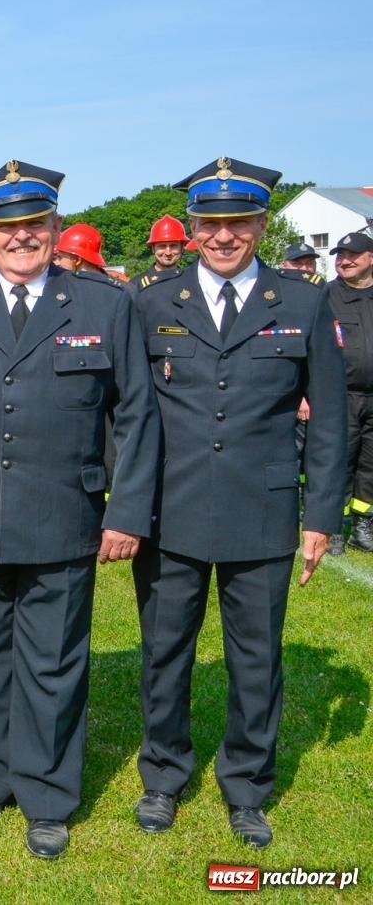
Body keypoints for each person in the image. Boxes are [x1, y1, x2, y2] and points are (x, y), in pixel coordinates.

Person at [0, 160, 159, 860]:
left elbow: (136, 413)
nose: (21, 239)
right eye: (6, 229)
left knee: (52, 663)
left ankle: (46, 795)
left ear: (54, 229)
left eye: (34, 226)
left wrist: (127, 510)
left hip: (63, 515)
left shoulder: (102, 305)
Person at [133, 157, 346, 850]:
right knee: (166, 652)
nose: (224, 236)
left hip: (262, 512)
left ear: (261, 225)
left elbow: (333, 422)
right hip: (172, 511)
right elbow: (128, 415)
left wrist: (320, 519)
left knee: (256, 659)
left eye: (239, 224)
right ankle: (163, 775)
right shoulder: (154, 303)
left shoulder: (306, 302)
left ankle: (248, 786)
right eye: (210, 224)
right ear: (192, 229)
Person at [329, 231, 373, 553]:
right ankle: (332, 529)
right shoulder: (326, 297)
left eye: (353, 254)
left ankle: (362, 526)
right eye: (340, 255)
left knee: (370, 466)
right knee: (338, 462)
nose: (344, 260)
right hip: (338, 396)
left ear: (371, 258)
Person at [136, 215, 190, 286]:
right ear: (152, 248)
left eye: (173, 246)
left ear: (182, 247)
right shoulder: (137, 285)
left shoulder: (191, 281)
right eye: (162, 246)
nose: (168, 253)